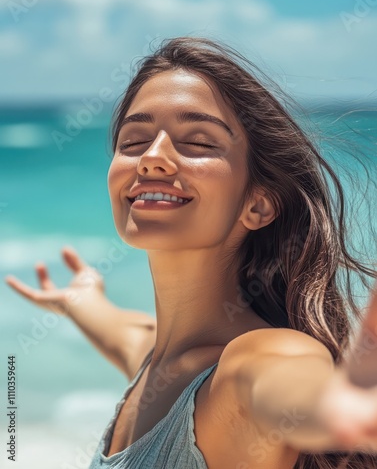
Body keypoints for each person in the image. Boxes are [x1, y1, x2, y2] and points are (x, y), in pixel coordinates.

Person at [5, 37, 377, 469]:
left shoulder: (254, 362)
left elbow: (289, 385)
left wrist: (343, 410)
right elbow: (124, 332)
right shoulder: (158, 362)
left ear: (258, 204)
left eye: (199, 142)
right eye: (133, 140)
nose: (152, 157)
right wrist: (82, 301)